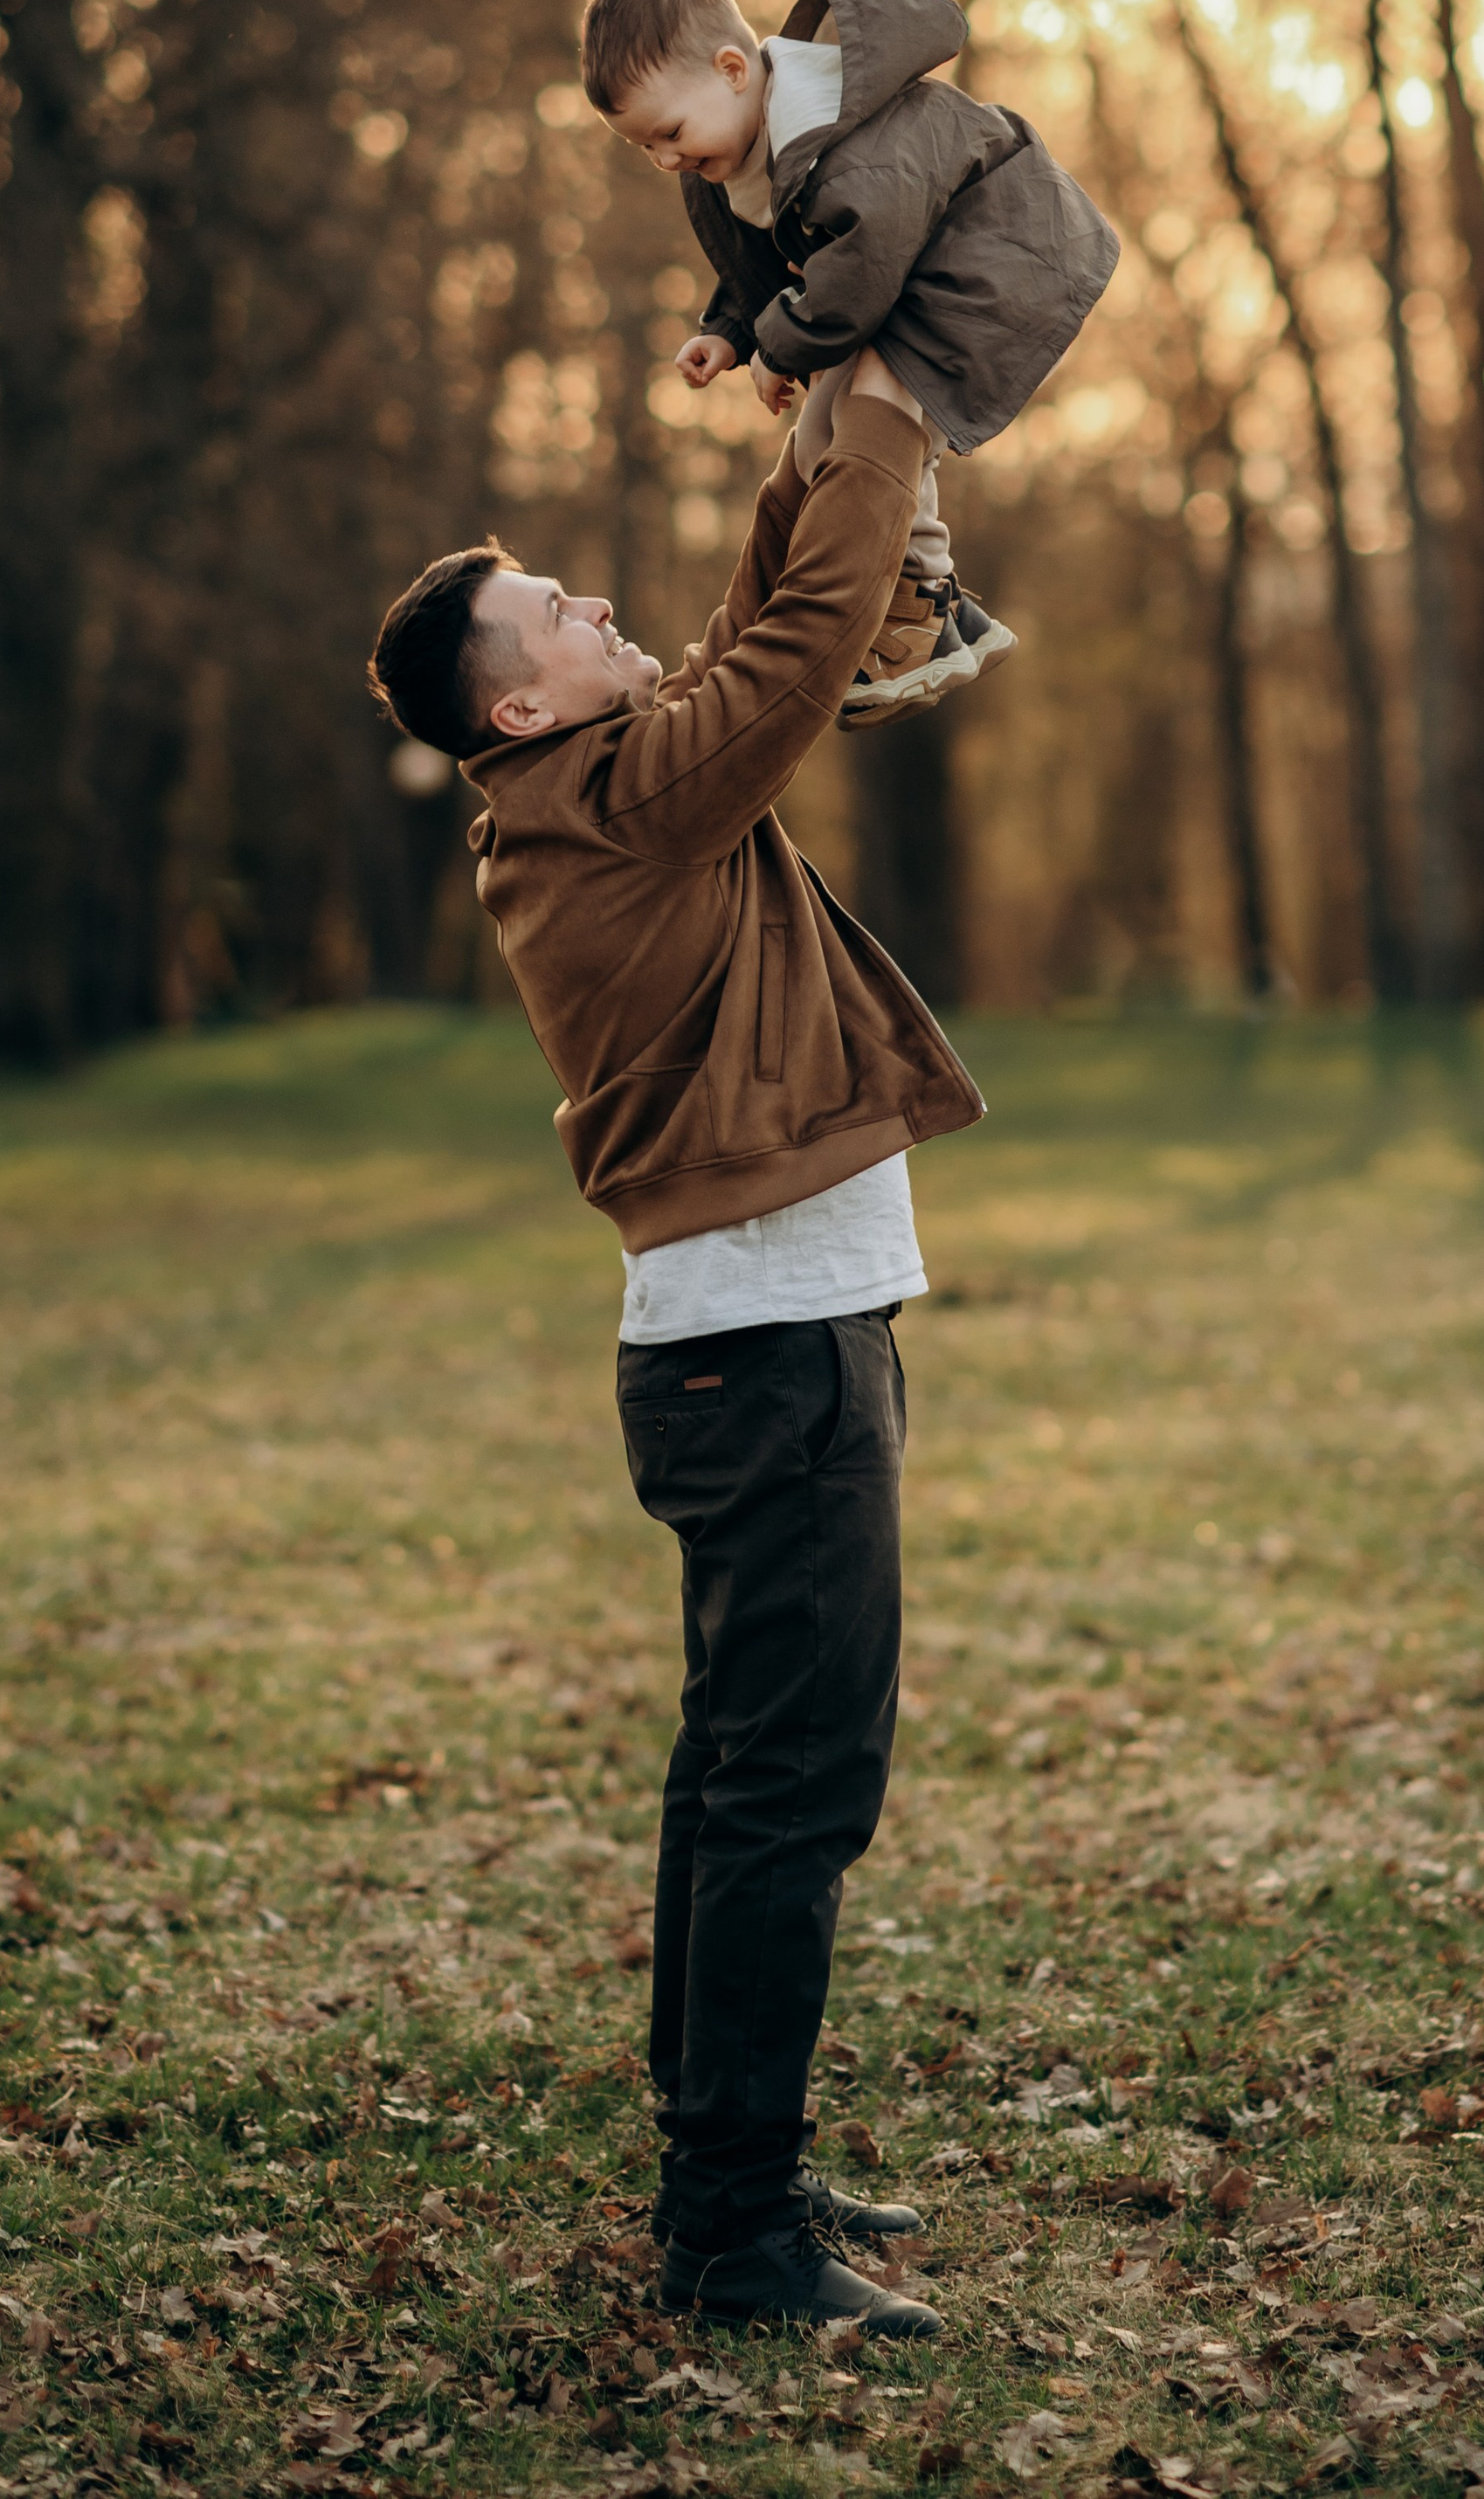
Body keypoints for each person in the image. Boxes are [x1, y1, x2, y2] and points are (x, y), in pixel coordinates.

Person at [366, 346, 972, 2341]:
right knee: (795, 1781)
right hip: (765, 1352)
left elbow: (741, 626)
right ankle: (728, 2232)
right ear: (519, 704)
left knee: (740, 1770)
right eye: (558, 610)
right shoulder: (616, 800)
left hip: (775, 1338)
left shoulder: (598, 779)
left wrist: (815, 436)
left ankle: (731, 2161)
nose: (600, 603)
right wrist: (893, 418)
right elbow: (790, 656)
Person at [578, 0, 1119, 730]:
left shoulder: (839, 136)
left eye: (669, 132)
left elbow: (860, 265)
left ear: (732, 69)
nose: (666, 159)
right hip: (908, 276)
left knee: (874, 418)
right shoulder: (739, 149)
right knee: (814, 447)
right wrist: (732, 333)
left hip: (997, 250)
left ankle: (920, 610)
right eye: (645, 148)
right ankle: (949, 616)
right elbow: (777, 253)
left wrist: (778, 344)